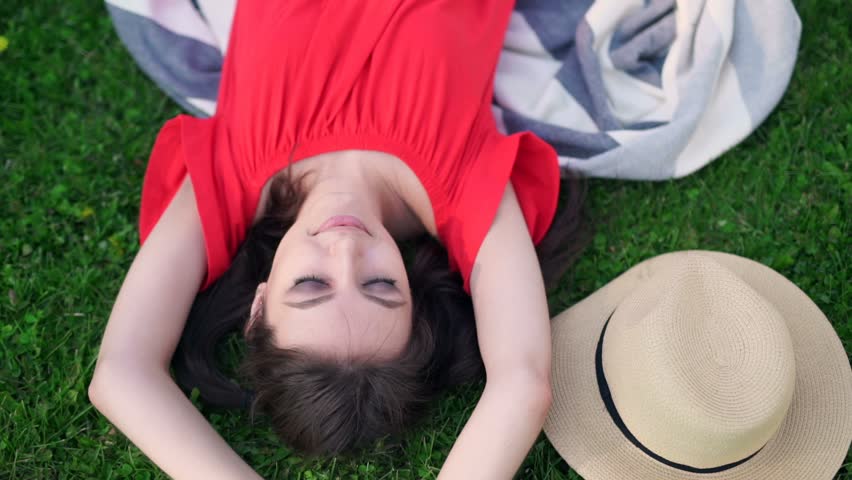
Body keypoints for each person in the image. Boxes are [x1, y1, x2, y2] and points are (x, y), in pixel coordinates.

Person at [88, 1, 587, 478]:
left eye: (311, 284)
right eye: (380, 285)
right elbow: (521, 385)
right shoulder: (466, 190)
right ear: (414, 298)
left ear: (258, 306)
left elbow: (122, 373)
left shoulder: (226, 181)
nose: (347, 250)